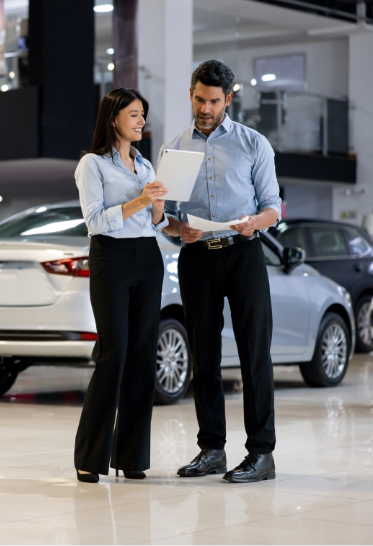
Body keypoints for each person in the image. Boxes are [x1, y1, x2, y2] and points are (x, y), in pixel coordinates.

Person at [161, 60, 282, 483]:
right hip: (197, 256)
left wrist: (255, 222)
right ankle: (211, 448)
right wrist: (180, 231)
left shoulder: (253, 144)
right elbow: (166, 216)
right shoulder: (175, 148)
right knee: (204, 354)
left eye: (213, 101)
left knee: (254, 354)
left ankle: (261, 454)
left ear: (228, 99)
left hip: (244, 252)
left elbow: (273, 207)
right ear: (191, 95)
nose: (205, 108)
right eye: (199, 99)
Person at [74, 88, 168, 482]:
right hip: (110, 258)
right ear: (113, 118)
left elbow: (156, 222)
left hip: (148, 258)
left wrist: (159, 204)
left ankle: (131, 457)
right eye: (133, 114)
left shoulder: (146, 167)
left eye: (143, 114)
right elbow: (95, 221)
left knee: (143, 358)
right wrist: (141, 202)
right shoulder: (92, 164)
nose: (141, 121)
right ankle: (89, 458)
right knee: (113, 353)